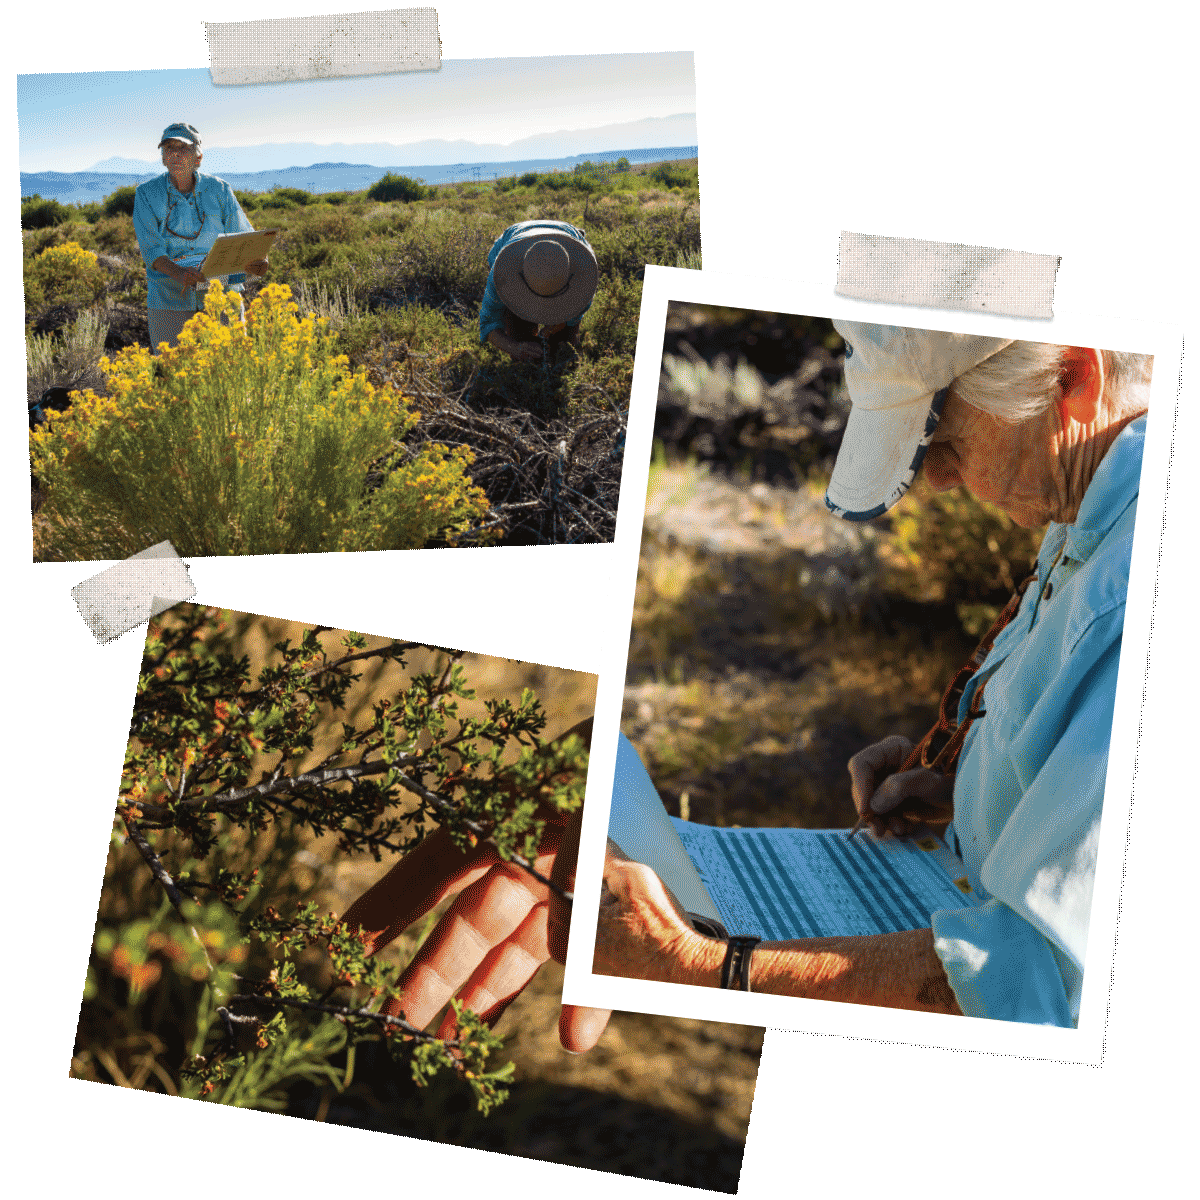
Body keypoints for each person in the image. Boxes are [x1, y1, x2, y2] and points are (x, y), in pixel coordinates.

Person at [132, 123, 271, 353]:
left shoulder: (220, 189)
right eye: (168, 148)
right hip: (169, 300)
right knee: (175, 374)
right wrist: (179, 273)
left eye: (183, 148)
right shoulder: (146, 194)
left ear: (198, 158)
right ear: (163, 158)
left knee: (230, 367)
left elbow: (244, 236)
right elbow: (151, 250)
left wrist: (259, 260)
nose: (175, 153)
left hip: (222, 297)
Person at [479, 220, 598, 363]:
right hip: (514, 237)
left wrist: (556, 326)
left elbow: (574, 318)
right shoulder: (501, 275)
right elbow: (488, 323)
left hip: (567, 232)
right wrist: (515, 347)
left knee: (566, 350)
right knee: (520, 342)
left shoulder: (585, 276)